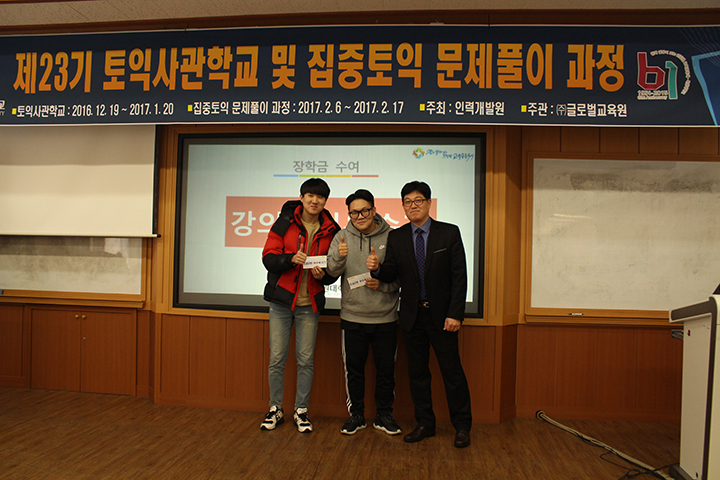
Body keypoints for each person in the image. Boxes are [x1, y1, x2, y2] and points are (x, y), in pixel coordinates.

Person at [366, 180, 472, 448]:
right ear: (403, 206)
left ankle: (462, 426)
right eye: (408, 202)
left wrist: (455, 314)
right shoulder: (398, 237)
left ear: (429, 203)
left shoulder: (449, 233)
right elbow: (392, 272)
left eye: (418, 200)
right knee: (418, 375)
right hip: (412, 317)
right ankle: (425, 424)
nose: (413, 206)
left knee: (452, 373)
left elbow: (459, 276)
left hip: (443, 318)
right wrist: (377, 268)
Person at [261, 178, 341, 433]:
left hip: (309, 305)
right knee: (277, 358)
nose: (315, 201)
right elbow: (268, 258)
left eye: (320, 197)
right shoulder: (284, 222)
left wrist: (324, 275)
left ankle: (301, 411)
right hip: (281, 302)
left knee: (305, 361)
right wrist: (289, 259)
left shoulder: (332, 229)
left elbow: (334, 270)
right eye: (310, 195)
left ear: (325, 201)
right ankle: (275, 408)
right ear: (302, 197)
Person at [326, 189, 402, 436]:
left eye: (364, 211)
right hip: (352, 317)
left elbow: (402, 276)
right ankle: (356, 415)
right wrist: (339, 257)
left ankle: (384, 415)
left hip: (385, 316)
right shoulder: (341, 237)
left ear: (374, 210)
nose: (360, 216)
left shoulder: (392, 237)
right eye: (354, 213)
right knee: (354, 371)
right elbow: (331, 272)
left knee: (386, 371)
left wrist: (382, 285)